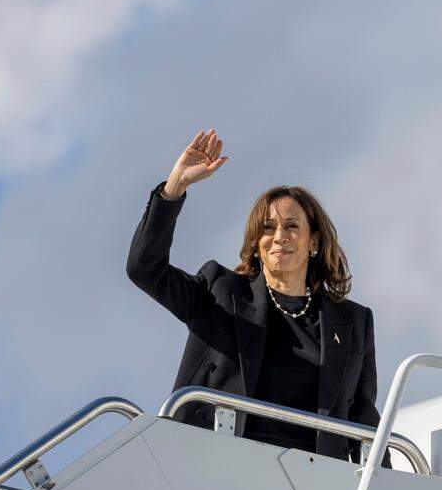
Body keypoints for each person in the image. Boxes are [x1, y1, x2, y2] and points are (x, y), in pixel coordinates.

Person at [127, 129, 387, 465]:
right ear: (256, 243)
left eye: (292, 226)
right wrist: (175, 186)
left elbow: (365, 421)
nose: (279, 236)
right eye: (267, 228)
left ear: (314, 241)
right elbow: (144, 269)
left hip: (316, 485)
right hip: (217, 466)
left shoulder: (353, 321)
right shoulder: (219, 292)